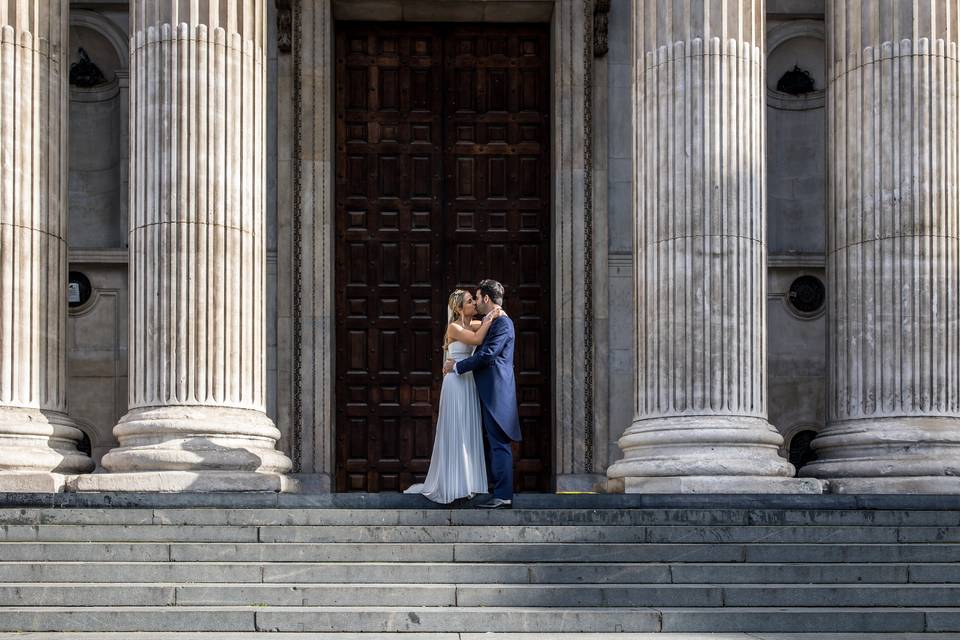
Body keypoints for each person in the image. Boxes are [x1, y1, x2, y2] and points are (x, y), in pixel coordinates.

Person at [404, 289, 502, 504]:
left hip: (468, 382)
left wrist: (496, 312)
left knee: (469, 429)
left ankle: (471, 482)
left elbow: (492, 327)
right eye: (469, 301)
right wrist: (490, 316)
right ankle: (454, 483)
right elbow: (476, 339)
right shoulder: (454, 327)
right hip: (455, 384)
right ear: (459, 308)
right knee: (456, 429)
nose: (474, 304)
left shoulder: (475, 323)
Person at [442, 279, 521, 509]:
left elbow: (486, 354)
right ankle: (475, 486)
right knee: (487, 441)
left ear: (486, 298)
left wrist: (456, 366)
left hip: (495, 392)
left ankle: (503, 494)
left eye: (476, 298)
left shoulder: (502, 324)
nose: (475, 303)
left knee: (498, 444)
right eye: (470, 300)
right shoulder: (487, 322)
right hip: (476, 389)